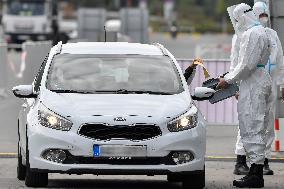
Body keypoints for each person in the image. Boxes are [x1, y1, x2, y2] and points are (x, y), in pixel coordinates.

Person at [217, 3, 273, 188]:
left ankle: (255, 174)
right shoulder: (263, 31)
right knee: (257, 125)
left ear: (241, 17)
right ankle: (255, 170)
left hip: (253, 83)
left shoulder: (251, 34)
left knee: (251, 125)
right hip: (259, 79)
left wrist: (228, 80)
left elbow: (246, 65)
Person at [232, 1, 284, 177]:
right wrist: (234, 84)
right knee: (248, 122)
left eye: (265, 15)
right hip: (249, 82)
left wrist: (282, 83)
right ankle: (241, 160)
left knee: (266, 123)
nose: (263, 18)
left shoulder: (271, 34)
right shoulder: (241, 35)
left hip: (266, 82)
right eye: (260, 14)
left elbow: (280, 61)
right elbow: (237, 62)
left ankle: (262, 161)